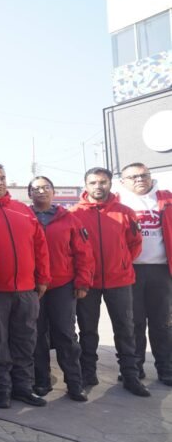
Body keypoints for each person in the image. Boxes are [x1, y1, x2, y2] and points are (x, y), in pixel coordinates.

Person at [0, 164, 51, 409]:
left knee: (25, 341)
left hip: (26, 290)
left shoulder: (22, 210)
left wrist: (42, 278)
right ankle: (1, 389)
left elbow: (40, 245)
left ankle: (23, 388)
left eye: (2, 177)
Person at [70, 167, 149, 397]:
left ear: (110, 184)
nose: (98, 186)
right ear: (86, 185)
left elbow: (135, 243)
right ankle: (88, 373)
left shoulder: (125, 212)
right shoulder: (74, 214)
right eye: (93, 182)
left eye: (102, 182)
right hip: (88, 283)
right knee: (87, 330)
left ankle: (130, 375)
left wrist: (122, 263)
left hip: (120, 280)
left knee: (125, 329)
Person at [27, 176, 93, 402]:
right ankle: (42, 381)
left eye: (46, 187)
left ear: (53, 192)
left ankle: (74, 383)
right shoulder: (24, 217)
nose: (41, 192)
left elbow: (83, 253)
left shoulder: (69, 219)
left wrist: (83, 282)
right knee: (36, 335)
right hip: (32, 286)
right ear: (29, 194)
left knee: (65, 334)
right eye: (35, 188)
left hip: (62, 285)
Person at [116, 162, 172, 386]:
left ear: (151, 177)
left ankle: (166, 368)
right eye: (133, 177)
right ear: (122, 181)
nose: (139, 180)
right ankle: (134, 367)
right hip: (131, 272)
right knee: (133, 323)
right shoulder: (118, 202)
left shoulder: (166, 199)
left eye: (143, 175)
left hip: (161, 270)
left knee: (163, 323)